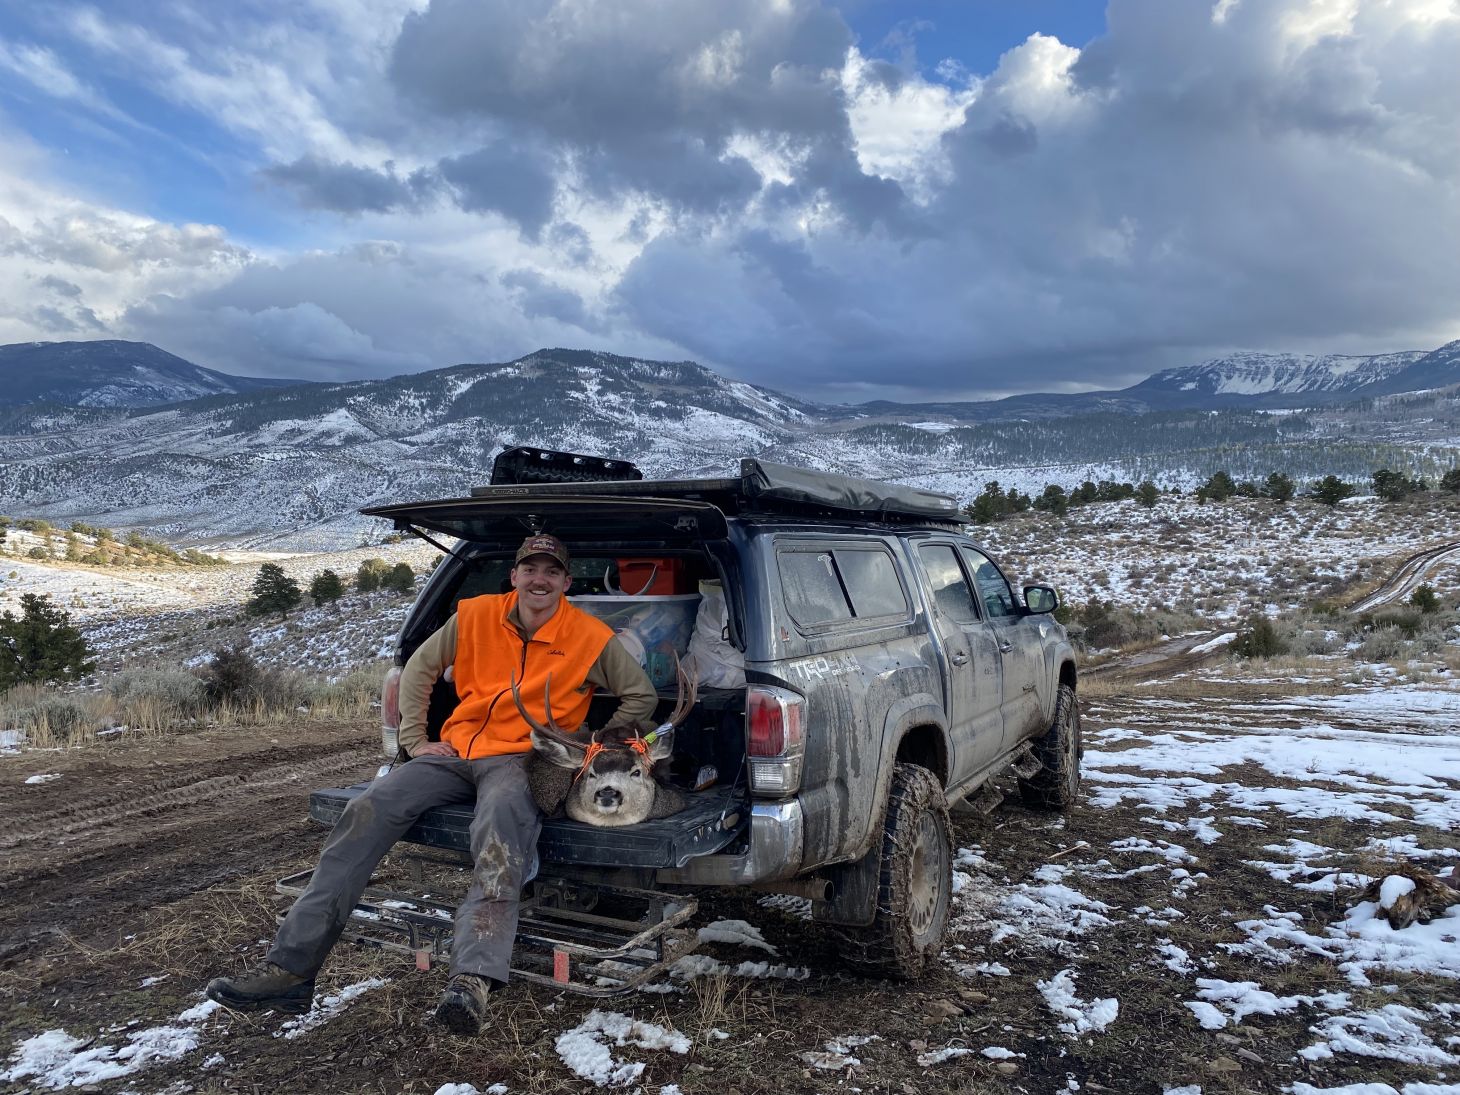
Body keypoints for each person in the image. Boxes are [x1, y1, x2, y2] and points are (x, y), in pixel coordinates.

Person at [206, 533, 657, 1035]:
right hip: (456, 750)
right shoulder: (475, 615)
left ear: (566, 583)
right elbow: (419, 669)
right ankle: (289, 969)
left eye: (552, 571)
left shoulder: (589, 636)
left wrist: (588, 746)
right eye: (530, 568)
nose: (540, 579)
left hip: (520, 760)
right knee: (367, 810)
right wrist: (416, 739)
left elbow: (639, 696)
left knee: (500, 831)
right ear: (514, 576)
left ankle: (473, 978)